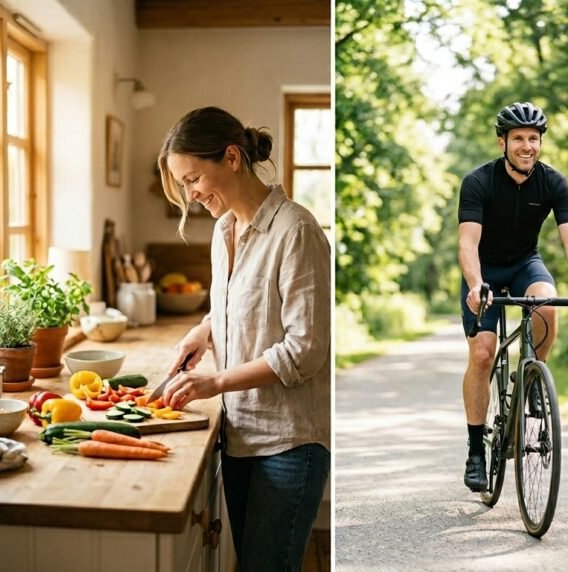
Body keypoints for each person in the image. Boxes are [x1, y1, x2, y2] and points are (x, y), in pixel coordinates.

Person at [156, 106, 331, 572]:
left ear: (232, 158)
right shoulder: (224, 230)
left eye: (193, 179)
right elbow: (236, 305)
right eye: (184, 185)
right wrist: (204, 330)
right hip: (239, 435)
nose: (191, 195)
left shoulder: (297, 231)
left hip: (289, 444)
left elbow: (305, 350)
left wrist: (214, 383)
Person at [458, 101, 568, 492]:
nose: (527, 146)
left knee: (547, 303)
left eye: (533, 138)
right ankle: (476, 450)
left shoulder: (554, 183)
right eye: (518, 138)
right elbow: (467, 243)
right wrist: (476, 284)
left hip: (525, 263)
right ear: (502, 142)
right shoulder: (478, 181)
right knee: (482, 353)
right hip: (484, 270)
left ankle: (533, 376)